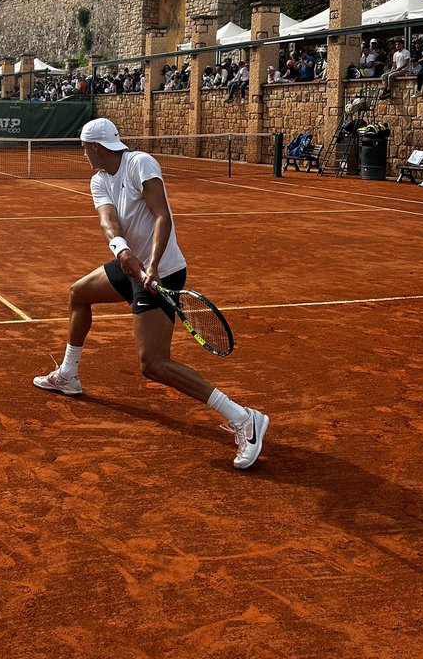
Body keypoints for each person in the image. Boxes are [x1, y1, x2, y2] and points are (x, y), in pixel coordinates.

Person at [32, 119, 269, 470]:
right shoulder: (99, 179)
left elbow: (162, 216)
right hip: (130, 266)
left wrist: (153, 264)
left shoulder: (139, 163)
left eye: (84, 147)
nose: (82, 152)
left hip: (164, 272)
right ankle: (69, 374)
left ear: (96, 146)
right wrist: (123, 252)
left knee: (153, 364)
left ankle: (244, 417)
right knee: (79, 293)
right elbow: (108, 221)